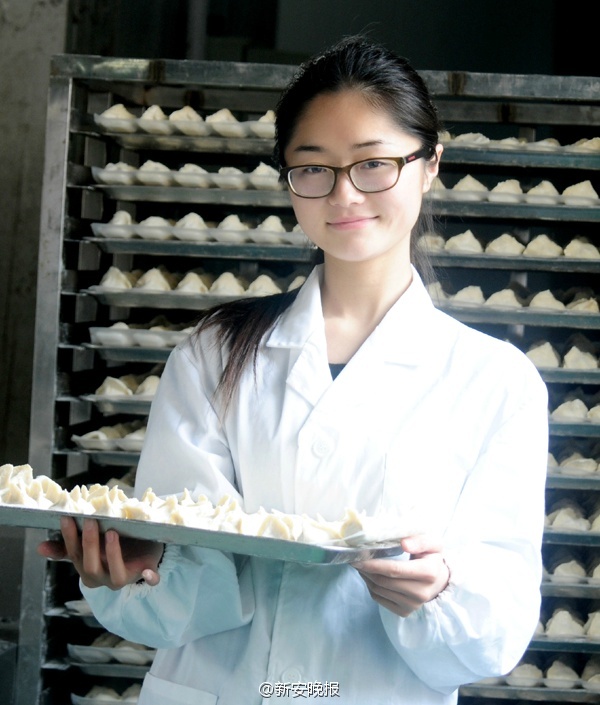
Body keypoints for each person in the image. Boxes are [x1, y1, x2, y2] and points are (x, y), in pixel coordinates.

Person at [39, 35, 548, 705]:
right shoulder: (215, 352)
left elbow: (499, 618)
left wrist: (440, 590)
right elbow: (187, 590)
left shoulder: (494, 382)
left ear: (429, 166)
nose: (344, 194)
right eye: (314, 168)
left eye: (374, 164)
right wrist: (142, 568)